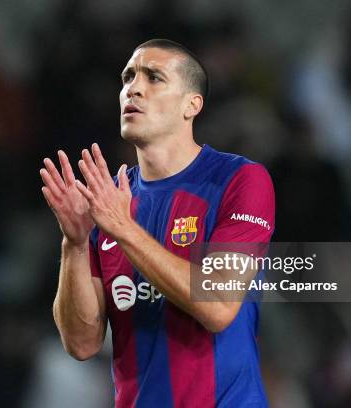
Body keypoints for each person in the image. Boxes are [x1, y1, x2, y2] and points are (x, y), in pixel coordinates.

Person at [40, 39, 275, 407]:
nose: (133, 88)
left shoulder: (239, 180)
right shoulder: (109, 200)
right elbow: (82, 343)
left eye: (154, 77)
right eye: (128, 77)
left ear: (191, 105)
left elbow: (217, 305)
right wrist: (75, 243)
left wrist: (124, 228)